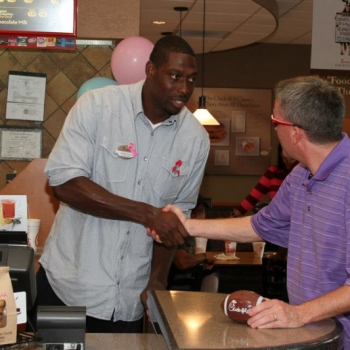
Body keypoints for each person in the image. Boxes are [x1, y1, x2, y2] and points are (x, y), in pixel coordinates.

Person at [37, 35, 210, 333]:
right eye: (175, 76)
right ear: (150, 69)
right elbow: (64, 183)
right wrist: (146, 213)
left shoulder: (195, 139)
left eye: (192, 79)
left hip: (129, 300)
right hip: (67, 287)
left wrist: (157, 278)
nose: (184, 88)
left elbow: (175, 220)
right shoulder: (97, 106)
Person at [162, 76, 350, 349]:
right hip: (313, 334)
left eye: (276, 122)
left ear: (295, 133)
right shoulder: (299, 176)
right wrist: (187, 226)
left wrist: (299, 312)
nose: (274, 129)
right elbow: (259, 226)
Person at [168, 197, 219, 293]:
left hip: (194, 285)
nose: (197, 217)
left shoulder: (203, 235)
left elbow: (208, 259)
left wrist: (206, 260)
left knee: (214, 274)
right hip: (173, 289)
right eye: (193, 212)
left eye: (201, 211)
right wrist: (205, 256)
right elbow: (182, 262)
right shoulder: (175, 233)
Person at [234, 144, 298, 217]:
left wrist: (294, 166)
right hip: (276, 220)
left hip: (297, 221)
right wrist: (234, 215)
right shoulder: (273, 172)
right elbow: (253, 197)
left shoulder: (304, 172)